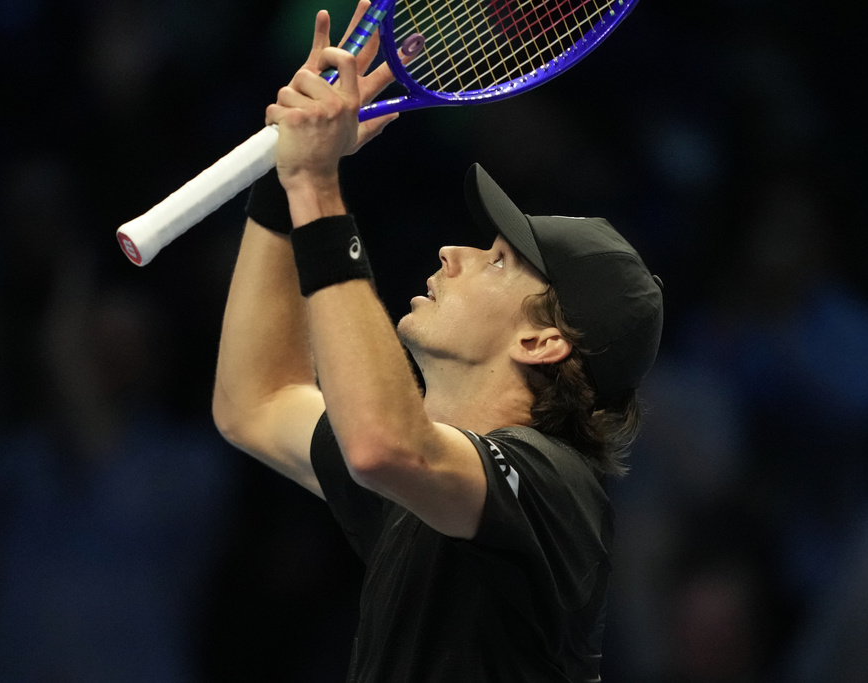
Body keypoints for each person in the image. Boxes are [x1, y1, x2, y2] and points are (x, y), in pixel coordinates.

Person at [211, 3, 664, 680]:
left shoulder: (555, 488)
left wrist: (317, 184)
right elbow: (256, 398)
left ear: (542, 341)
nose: (454, 252)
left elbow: (383, 443)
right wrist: (284, 184)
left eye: (499, 260)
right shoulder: (423, 492)